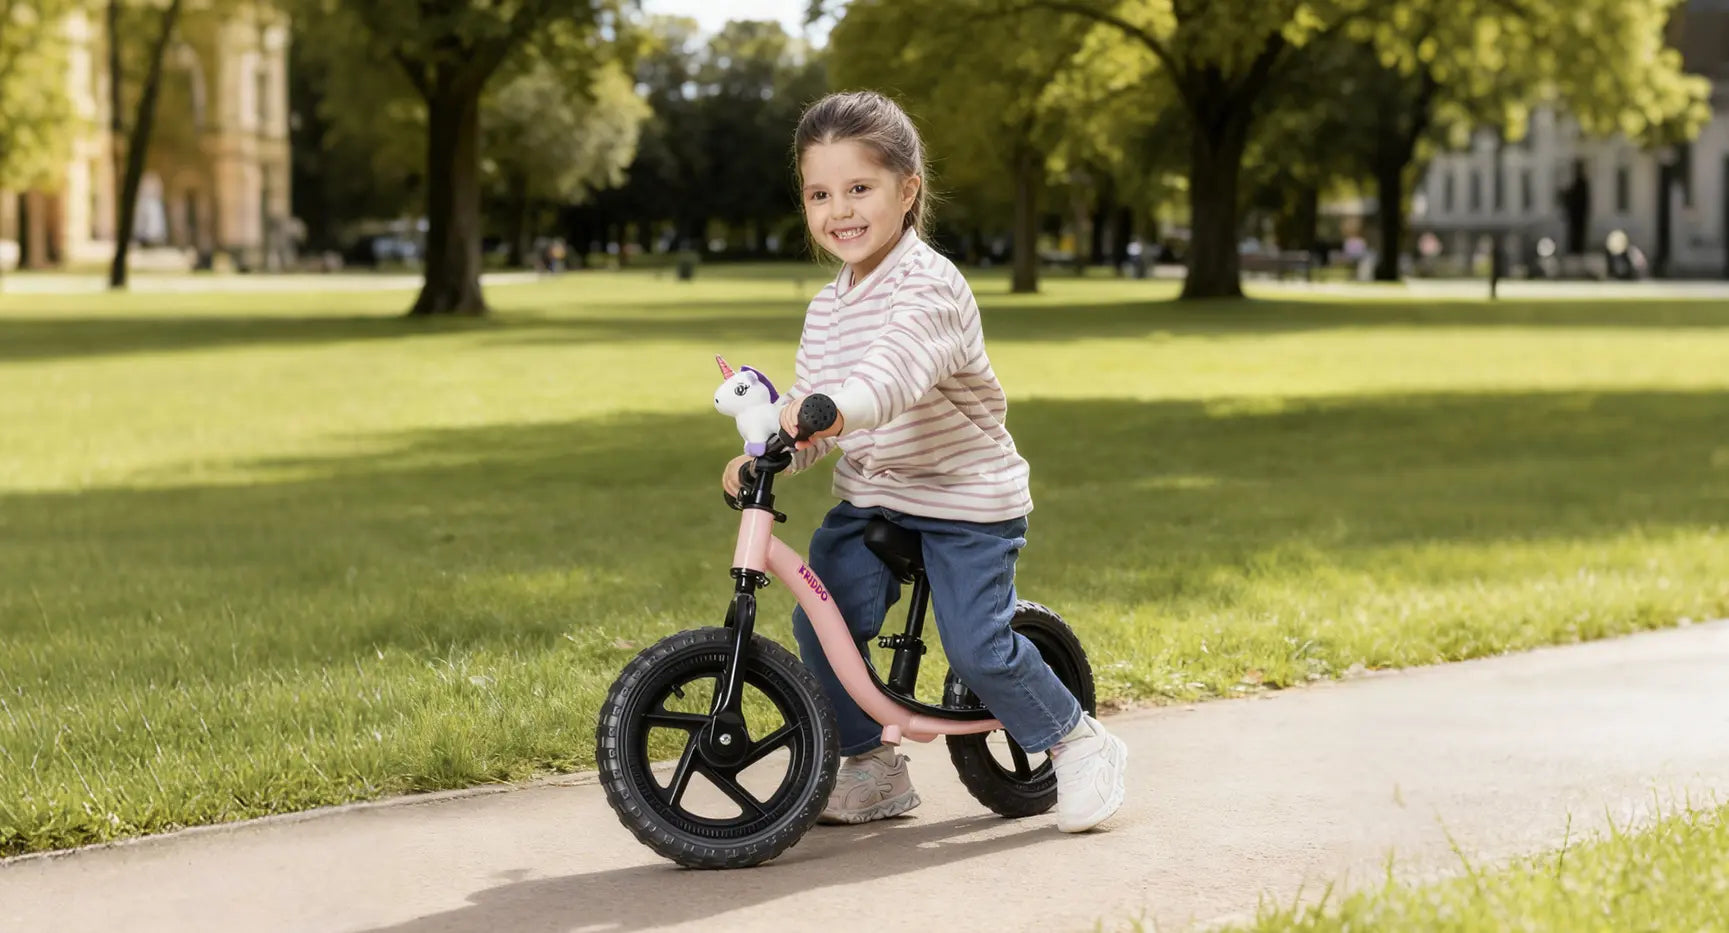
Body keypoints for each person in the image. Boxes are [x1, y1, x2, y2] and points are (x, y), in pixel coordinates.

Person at [720, 90, 1128, 833]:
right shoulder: (826, 305)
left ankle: (1076, 739)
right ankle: (871, 764)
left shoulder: (930, 285)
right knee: (825, 617)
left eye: (859, 188)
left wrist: (830, 408)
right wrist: (773, 452)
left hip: (966, 496)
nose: (838, 209)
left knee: (977, 648)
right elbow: (814, 415)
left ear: (907, 191)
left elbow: (888, 378)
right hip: (878, 491)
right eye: (819, 193)